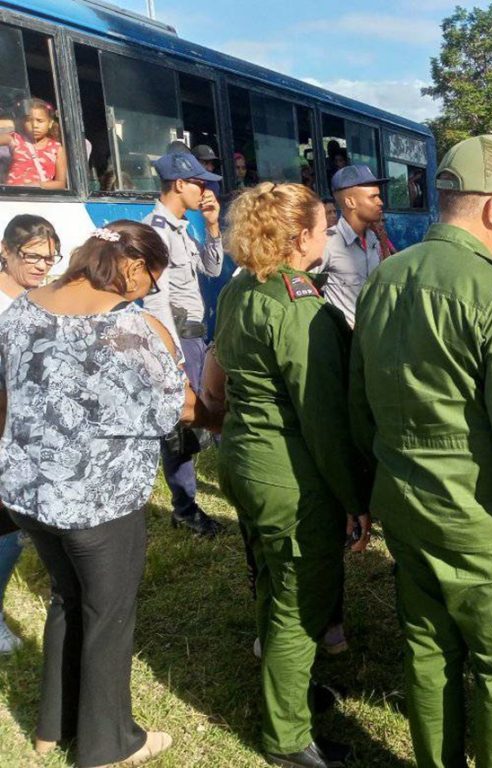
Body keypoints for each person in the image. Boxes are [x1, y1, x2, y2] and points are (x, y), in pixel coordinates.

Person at [350, 134, 492, 768]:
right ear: (490, 208)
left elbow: (358, 402)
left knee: (429, 658)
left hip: (406, 509)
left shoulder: (384, 278)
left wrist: (365, 494)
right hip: (482, 527)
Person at [0, 220, 199, 767]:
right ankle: (109, 745)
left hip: (27, 494)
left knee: (67, 600)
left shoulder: (21, 308)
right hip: (98, 505)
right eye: (151, 281)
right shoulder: (132, 331)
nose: (149, 293)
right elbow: (170, 415)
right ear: (133, 268)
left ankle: (52, 729)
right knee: (108, 617)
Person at [215, 182, 369, 768]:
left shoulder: (241, 292)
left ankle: (291, 692)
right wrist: (355, 497)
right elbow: (324, 421)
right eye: (322, 226)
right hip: (290, 476)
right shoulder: (301, 308)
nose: (326, 236)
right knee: (299, 603)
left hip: (244, 461)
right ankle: (286, 736)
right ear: (302, 236)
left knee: (273, 583)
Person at [143, 150, 225, 537]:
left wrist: (212, 226)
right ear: (179, 184)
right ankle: (185, 508)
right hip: (178, 339)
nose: (204, 190)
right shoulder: (156, 231)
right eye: (199, 182)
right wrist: (170, 356)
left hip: (195, 335)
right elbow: (156, 301)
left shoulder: (180, 226)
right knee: (181, 424)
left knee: (200, 415)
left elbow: (212, 268)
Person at [0, 214, 62, 653]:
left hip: (29, 432)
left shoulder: (38, 302)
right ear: (5, 252)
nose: (43, 265)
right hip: (3, 430)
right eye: (33, 256)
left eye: (50, 258)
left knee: (15, 527)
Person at [318, 164, 390, 327]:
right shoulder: (328, 242)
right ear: (350, 202)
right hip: (345, 343)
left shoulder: (374, 239)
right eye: (373, 197)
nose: (380, 202)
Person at [0, 98, 67, 189]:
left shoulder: (57, 148)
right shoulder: (15, 139)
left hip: (36, 198)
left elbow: (60, 184)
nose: (34, 125)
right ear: (23, 123)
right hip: (13, 196)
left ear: (50, 123)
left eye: (40, 121)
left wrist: (37, 185)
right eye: (28, 120)